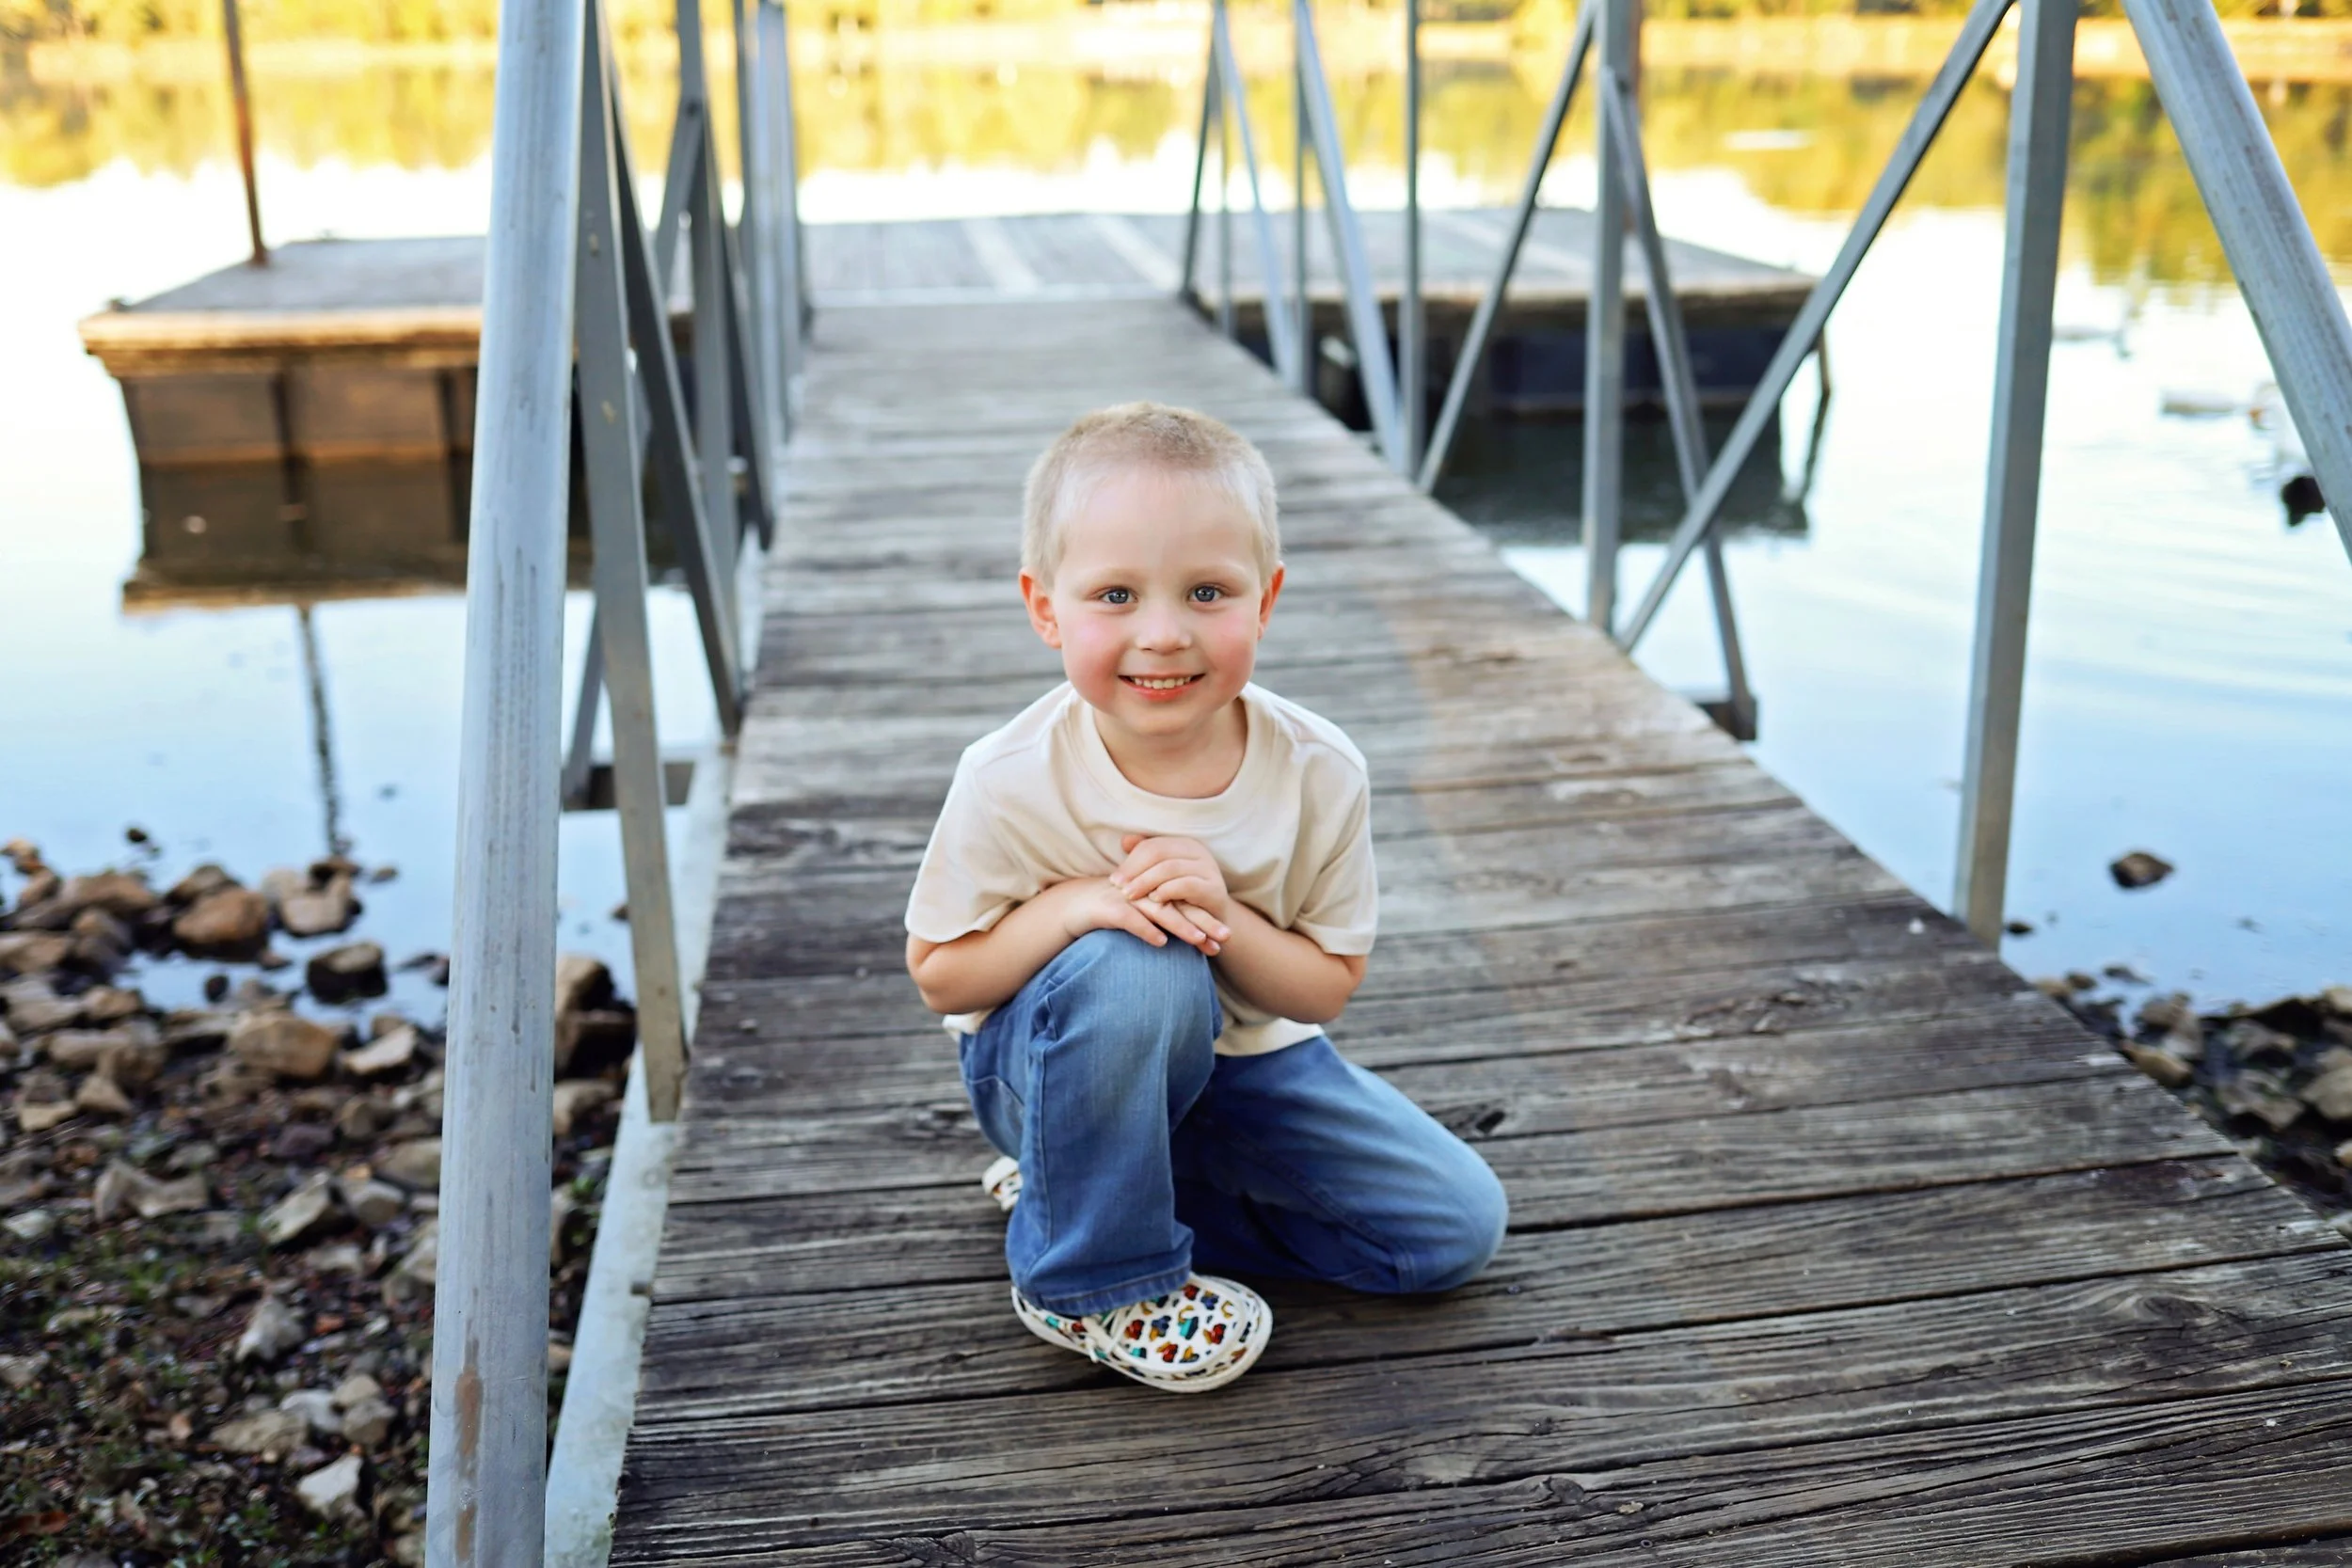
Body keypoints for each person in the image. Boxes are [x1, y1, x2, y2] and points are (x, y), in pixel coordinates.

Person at [903, 402, 1507, 1393]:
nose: (1163, 633)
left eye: (1206, 591)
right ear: (1044, 606)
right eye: (1113, 593)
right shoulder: (1008, 774)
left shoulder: (1317, 768)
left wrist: (1222, 912)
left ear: (1264, 599)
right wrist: (1074, 905)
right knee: (1140, 964)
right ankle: (1090, 1280)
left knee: (1450, 1229)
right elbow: (941, 973)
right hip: (1050, 1067)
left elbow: (1321, 991)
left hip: (1248, 1068)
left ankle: (1073, 1190)